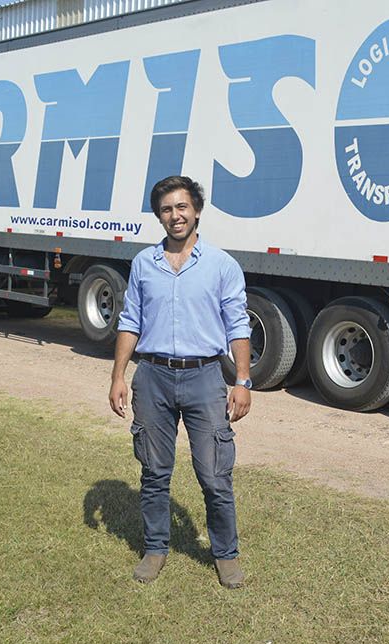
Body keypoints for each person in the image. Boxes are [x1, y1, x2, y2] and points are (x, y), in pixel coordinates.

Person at [109, 175, 252, 588]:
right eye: (168, 209)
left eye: (182, 207)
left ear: (197, 211)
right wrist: (119, 375)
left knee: (213, 474)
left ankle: (225, 554)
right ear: (159, 215)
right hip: (151, 376)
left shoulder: (222, 265)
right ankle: (155, 549)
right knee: (154, 472)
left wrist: (242, 381)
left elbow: (237, 325)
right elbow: (130, 321)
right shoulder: (143, 264)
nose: (176, 215)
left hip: (205, 377)